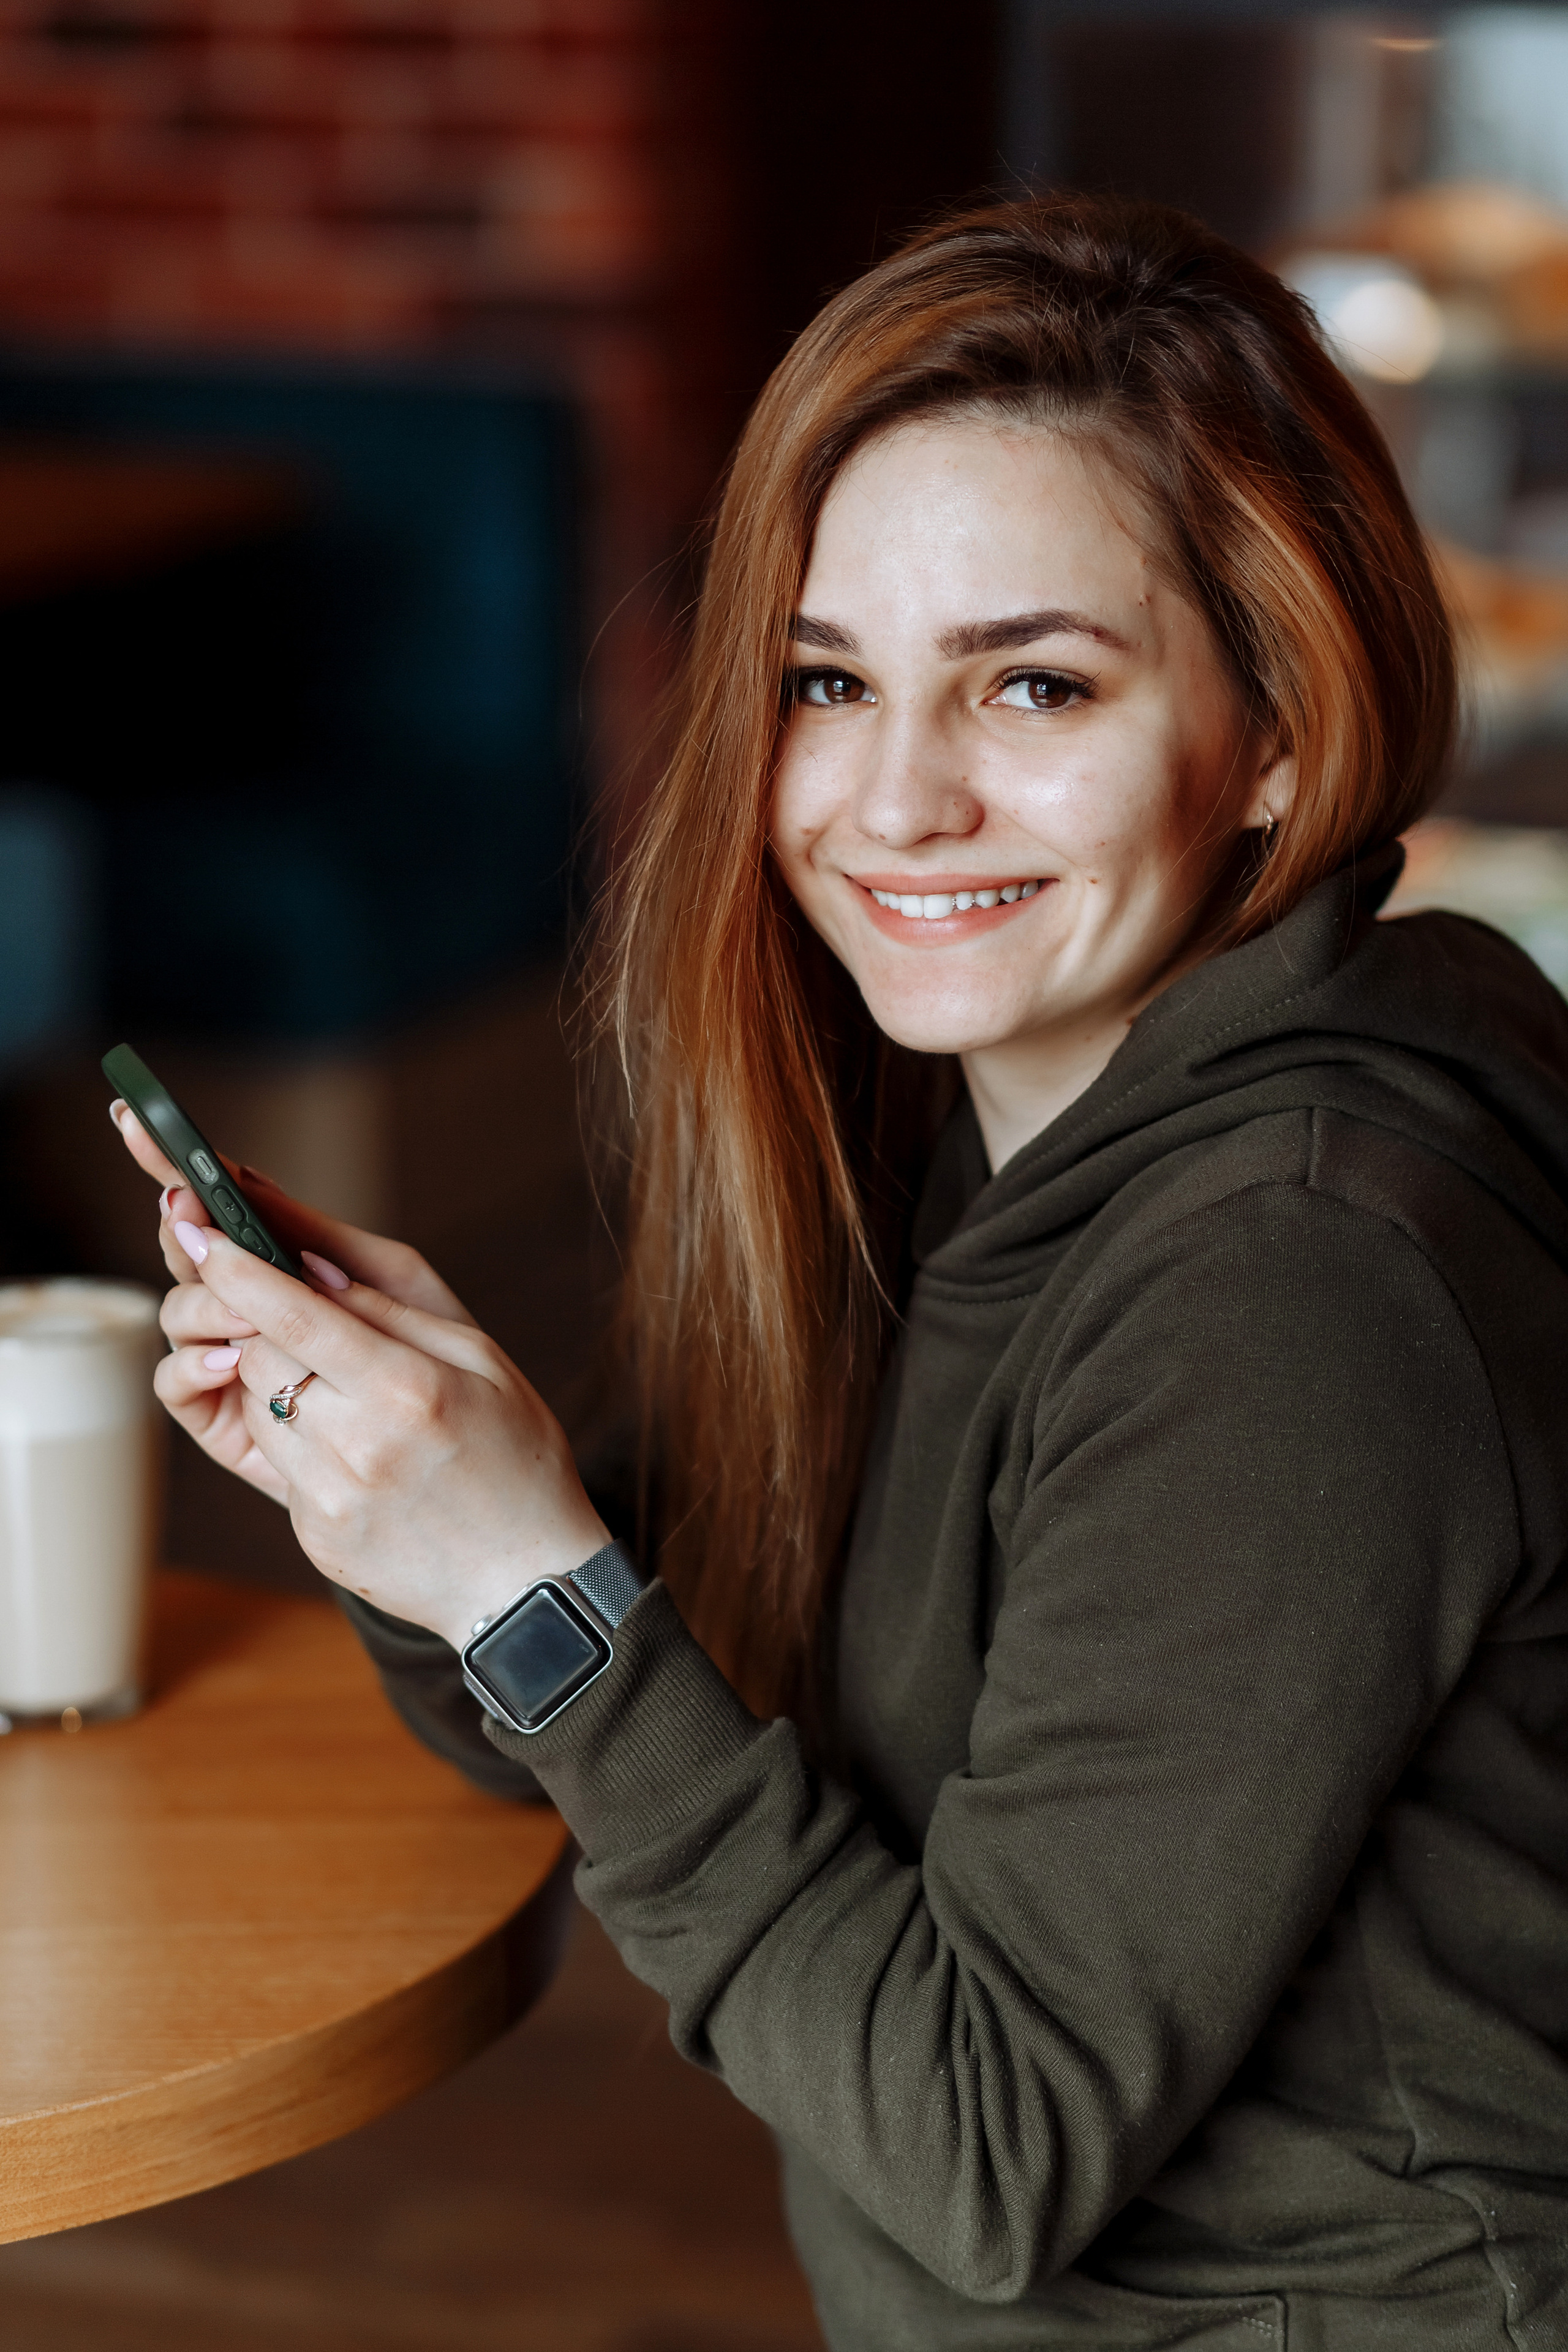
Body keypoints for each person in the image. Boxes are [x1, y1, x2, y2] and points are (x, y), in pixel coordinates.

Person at [111, 195, 1568, 2351]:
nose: (896, 801)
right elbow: (623, 1719)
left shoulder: (1295, 1283)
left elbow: (983, 2149)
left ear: (1278, 726)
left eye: (1035, 685)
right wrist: (420, 1486)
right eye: (827, 682)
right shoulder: (985, 1124)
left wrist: (527, 1585)